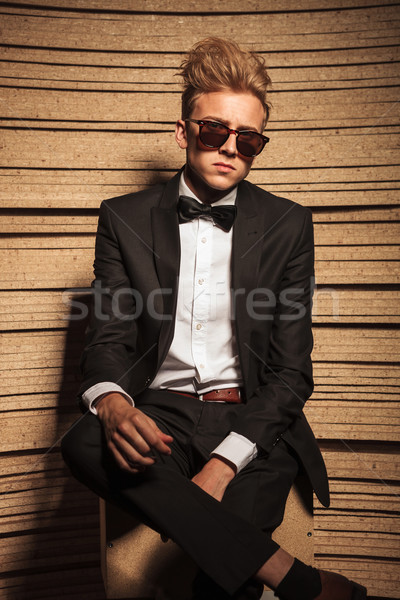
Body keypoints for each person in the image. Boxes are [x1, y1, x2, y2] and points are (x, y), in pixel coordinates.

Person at [61, 38, 368, 600]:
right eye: (213, 131)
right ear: (183, 131)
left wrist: (225, 465)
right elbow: (107, 337)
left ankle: (264, 571)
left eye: (247, 139)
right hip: (162, 414)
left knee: (223, 588)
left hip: (252, 421)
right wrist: (111, 402)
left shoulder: (291, 224)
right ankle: (296, 579)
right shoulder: (122, 217)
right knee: (82, 441)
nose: (229, 148)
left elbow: (291, 373)